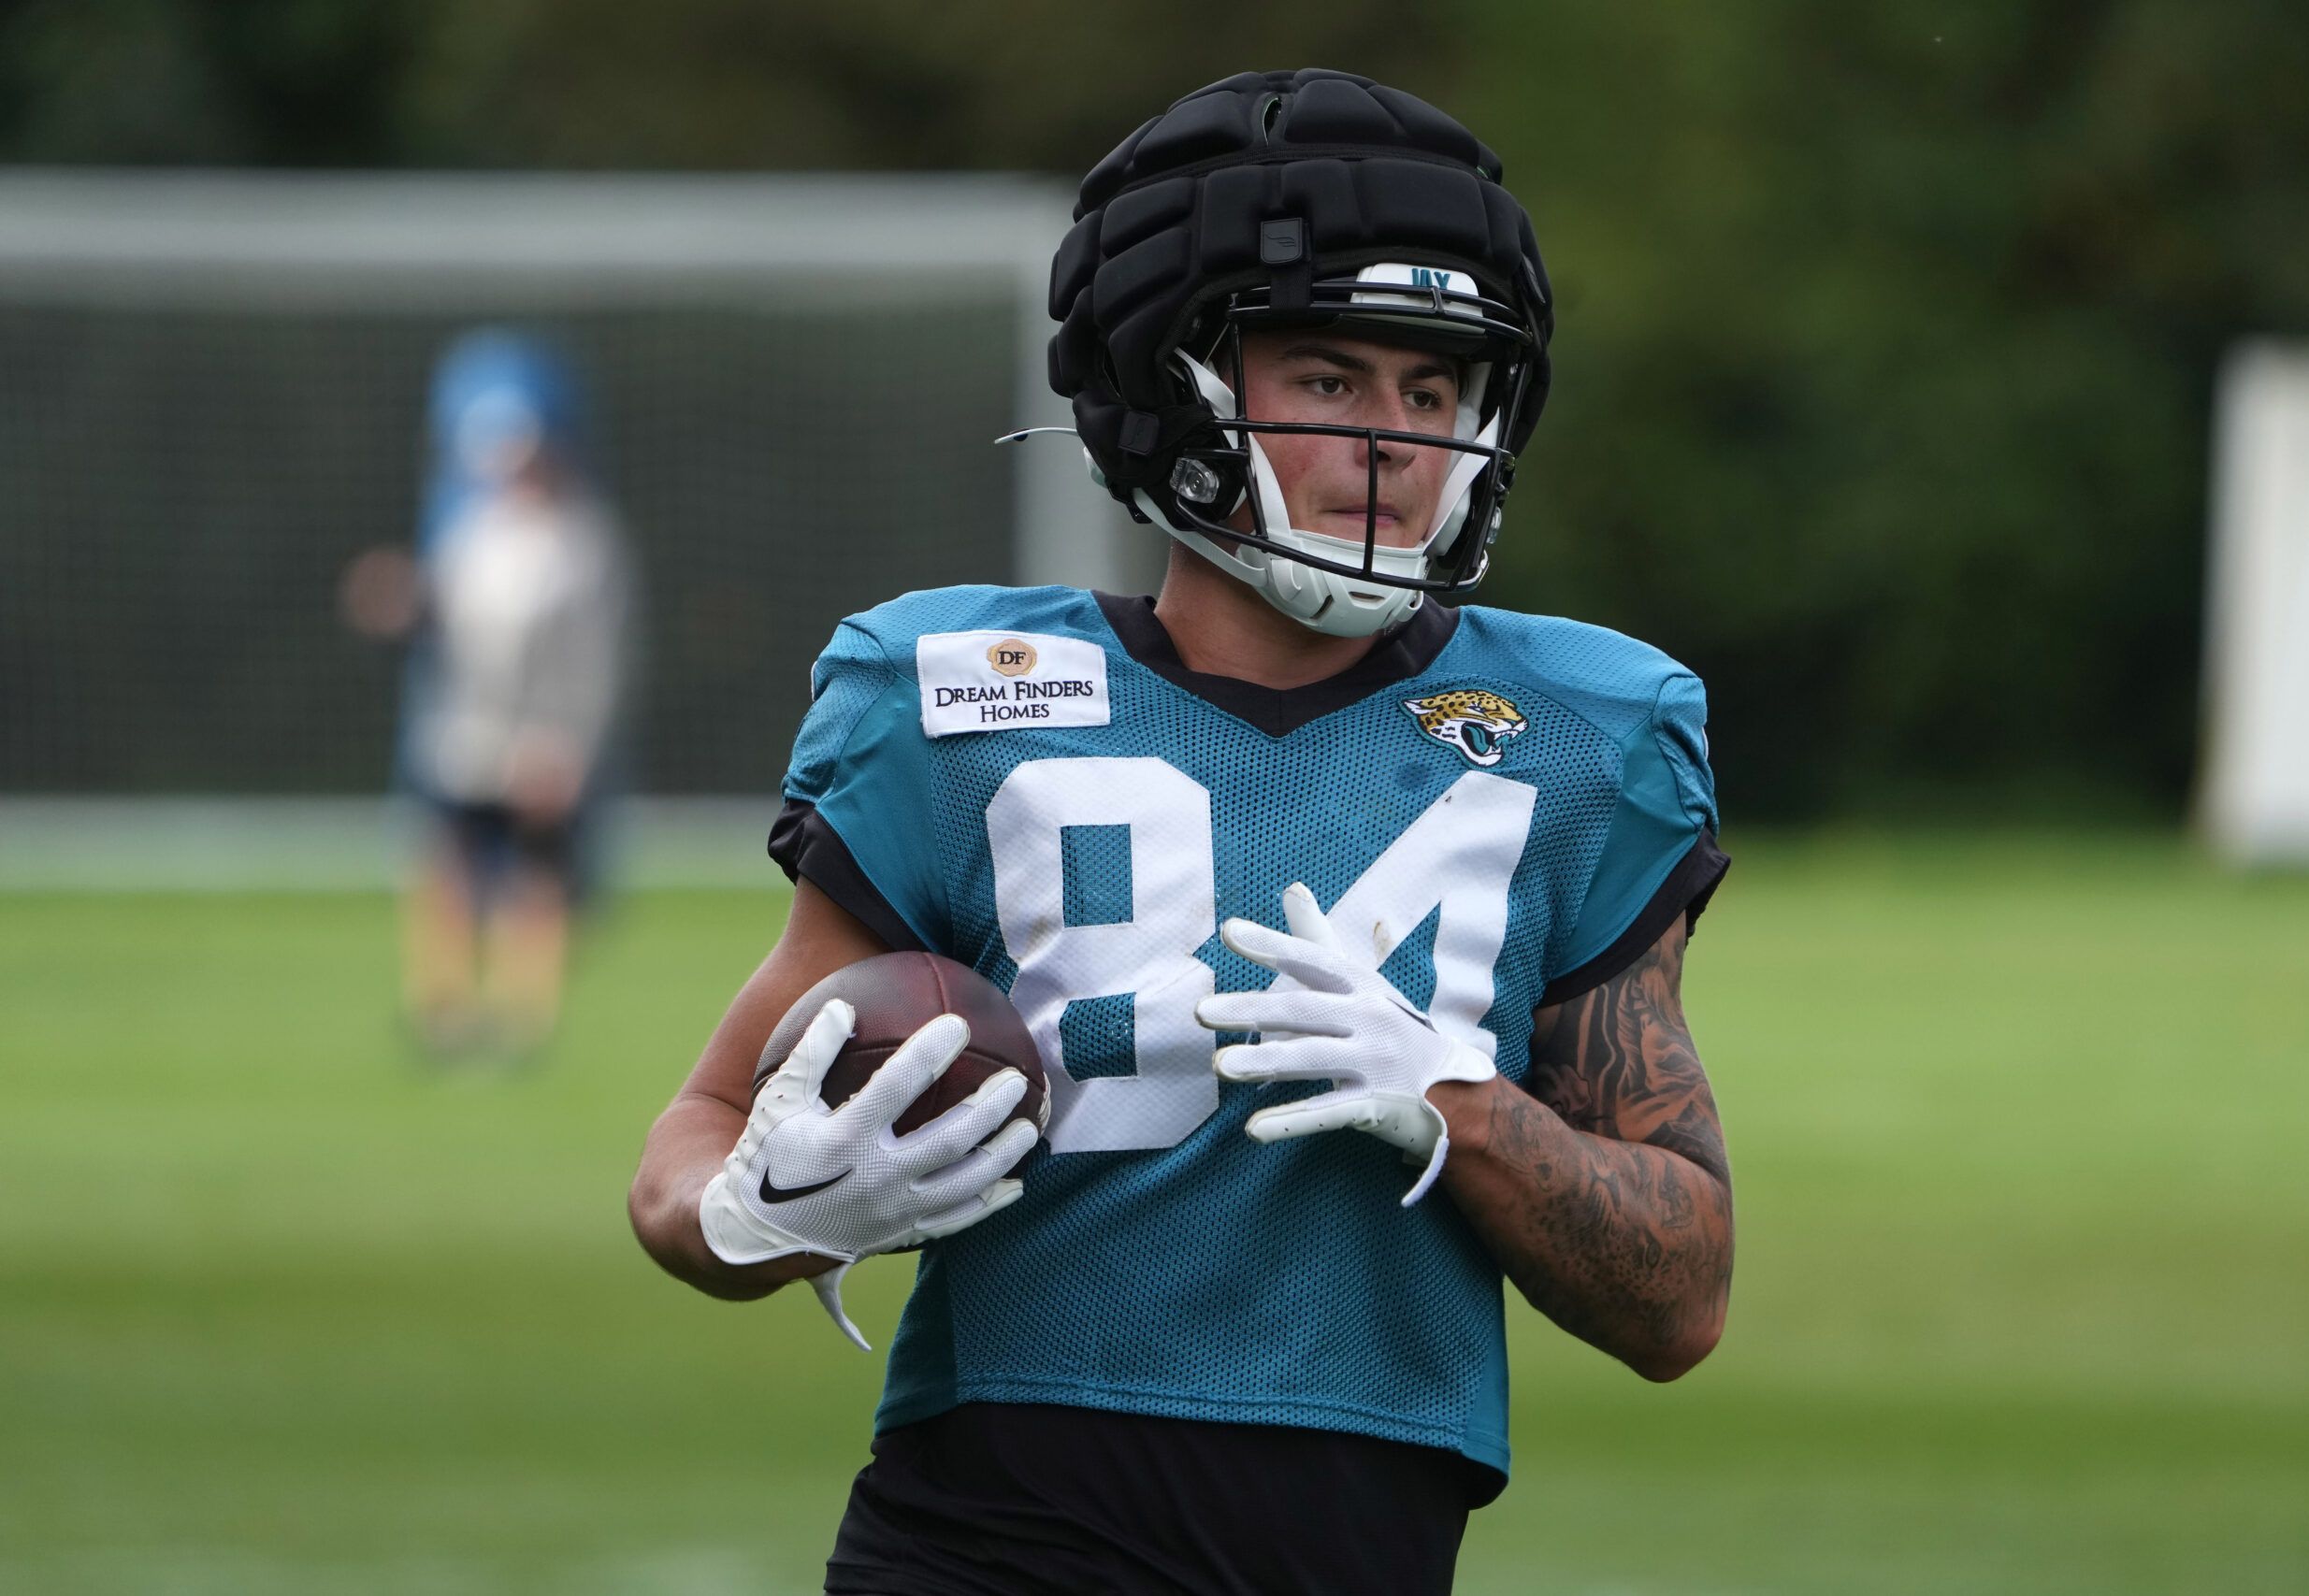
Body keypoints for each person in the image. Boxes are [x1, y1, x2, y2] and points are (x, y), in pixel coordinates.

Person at [630, 68, 1734, 1594]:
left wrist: (1459, 1107)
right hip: (987, 1531)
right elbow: (684, 1153)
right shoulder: (949, 696)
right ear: (1176, 387)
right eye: (1333, 379)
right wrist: (761, 1207)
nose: (1396, 442)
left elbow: (1680, 1296)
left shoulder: (1586, 731)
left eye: (1433, 391)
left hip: (1363, 1545)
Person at [342, 330, 634, 1059]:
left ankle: (519, 1020)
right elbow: (441, 618)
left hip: (538, 740)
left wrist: (568, 745)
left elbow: (596, 658)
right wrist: (399, 601)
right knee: (445, 868)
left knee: (532, 882)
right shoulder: (469, 528)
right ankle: (442, 1011)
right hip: (463, 736)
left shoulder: (583, 542)